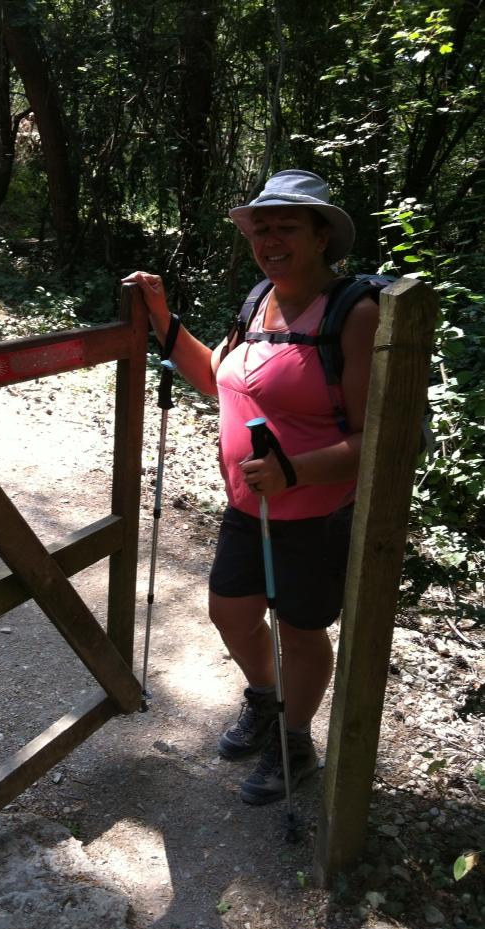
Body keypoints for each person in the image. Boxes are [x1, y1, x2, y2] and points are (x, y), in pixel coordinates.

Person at [122, 169, 379, 805]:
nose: (268, 237)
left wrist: (296, 470)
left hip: (314, 513)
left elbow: (379, 438)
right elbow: (217, 378)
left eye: (285, 225)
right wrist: (161, 316)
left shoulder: (356, 313)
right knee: (230, 612)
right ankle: (264, 702)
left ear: (322, 236)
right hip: (249, 504)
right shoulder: (258, 298)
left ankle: (295, 741)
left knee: (299, 631)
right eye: (259, 227)